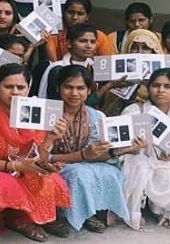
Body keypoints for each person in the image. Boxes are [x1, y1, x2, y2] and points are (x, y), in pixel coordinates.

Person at [0, 63, 71, 241]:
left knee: (50, 179)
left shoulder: (36, 113)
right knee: (1, 184)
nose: (15, 92)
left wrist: (51, 138)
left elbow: (40, 156)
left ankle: (22, 219)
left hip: (24, 168)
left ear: (29, 88)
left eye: (21, 87)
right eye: (8, 87)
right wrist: (13, 165)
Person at [49, 65, 134, 233]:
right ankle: (63, 215)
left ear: (89, 91)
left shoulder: (96, 116)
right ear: (59, 88)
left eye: (80, 88)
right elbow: (44, 155)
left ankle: (90, 211)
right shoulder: (49, 114)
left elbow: (99, 152)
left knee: (111, 172)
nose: (74, 93)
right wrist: (82, 155)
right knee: (78, 174)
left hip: (86, 160)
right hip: (55, 163)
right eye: (68, 87)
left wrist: (121, 150)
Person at [119, 68, 170, 230]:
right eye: (156, 85)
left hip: (159, 161)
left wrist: (168, 156)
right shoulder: (134, 111)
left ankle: (161, 210)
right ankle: (134, 210)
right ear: (149, 88)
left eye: (167, 86)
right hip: (134, 158)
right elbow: (119, 145)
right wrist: (134, 148)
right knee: (141, 165)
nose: (161, 91)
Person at [43, 0, 116, 61]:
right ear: (64, 13)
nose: (74, 17)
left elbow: (108, 65)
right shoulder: (55, 36)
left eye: (80, 14)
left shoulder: (99, 36)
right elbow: (53, 65)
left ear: (87, 16)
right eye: (70, 12)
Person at [34, 23, 97, 99]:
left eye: (92, 42)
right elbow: (45, 98)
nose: (89, 46)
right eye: (83, 41)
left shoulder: (95, 68)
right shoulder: (57, 68)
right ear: (69, 43)